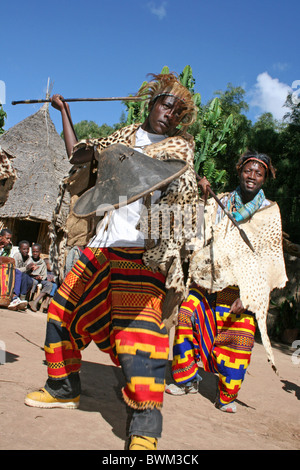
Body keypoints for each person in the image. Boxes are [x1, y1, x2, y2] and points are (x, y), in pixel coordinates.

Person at [24, 73, 208, 450]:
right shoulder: (121, 137)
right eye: (165, 104)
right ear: (151, 103)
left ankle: (144, 430)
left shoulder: (179, 150)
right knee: (61, 312)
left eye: (178, 111)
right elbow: (78, 155)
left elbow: (182, 207)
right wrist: (66, 115)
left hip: (144, 252)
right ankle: (63, 388)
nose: (170, 114)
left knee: (140, 340)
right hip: (103, 244)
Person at [166, 152, 288, 413]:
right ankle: (186, 380)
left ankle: (227, 394)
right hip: (208, 281)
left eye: (258, 173)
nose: (252, 176)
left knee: (240, 340)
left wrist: (250, 296)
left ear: (265, 178)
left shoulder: (270, 212)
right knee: (186, 316)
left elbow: (269, 260)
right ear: (239, 171)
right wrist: (201, 198)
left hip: (241, 289)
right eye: (248, 170)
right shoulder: (219, 200)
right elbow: (198, 231)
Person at [28, 244, 54, 312]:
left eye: (37, 251)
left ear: (40, 252)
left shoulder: (42, 262)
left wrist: (41, 277)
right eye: (33, 251)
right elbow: (26, 270)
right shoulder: (29, 259)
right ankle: (28, 300)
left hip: (39, 279)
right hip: (30, 277)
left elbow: (44, 275)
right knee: (34, 282)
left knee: (49, 284)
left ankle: (35, 301)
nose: (35, 253)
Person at [8, 240, 33, 311]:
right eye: (24, 249)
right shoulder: (17, 255)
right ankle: (21, 297)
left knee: (30, 281)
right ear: (19, 249)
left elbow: (27, 271)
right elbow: (15, 269)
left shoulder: (29, 258)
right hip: (15, 274)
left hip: (24, 276)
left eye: (27, 249)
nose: (26, 251)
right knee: (24, 277)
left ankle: (21, 299)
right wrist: (26, 268)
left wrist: (31, 269)